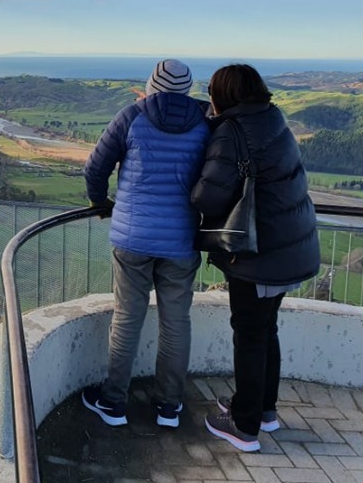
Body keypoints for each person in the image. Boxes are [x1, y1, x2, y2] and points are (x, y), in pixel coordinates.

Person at [190, 63, 321, 453]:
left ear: (224, 96)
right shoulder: (271, 118)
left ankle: (243, 426)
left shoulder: (232, 132)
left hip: (258, 253)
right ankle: (264, 409)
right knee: (266, 329)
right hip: (290, 247)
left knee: (249, 334)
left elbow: (208, 195)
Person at [80, 58, 210, 429]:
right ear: (187, 89)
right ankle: (169, 406)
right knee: (176, 323)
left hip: (132, 238)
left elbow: (95, 168)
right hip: (182, 239)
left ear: (151, 85)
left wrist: (100, 203)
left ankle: (114, 402)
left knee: (127, 318)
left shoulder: (131, 115)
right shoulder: (204, 123)